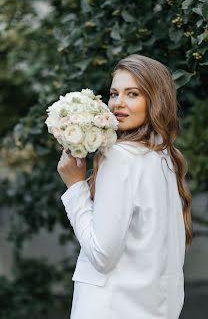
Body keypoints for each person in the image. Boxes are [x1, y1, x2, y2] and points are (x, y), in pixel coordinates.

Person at [57, 54, 193, 319]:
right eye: (113, 93)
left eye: (132, 94)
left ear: (155, 100)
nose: (118, 103)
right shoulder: (165, 158)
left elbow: (101, 254)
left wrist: (75, 187)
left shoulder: (120, 156)